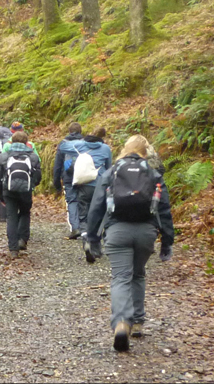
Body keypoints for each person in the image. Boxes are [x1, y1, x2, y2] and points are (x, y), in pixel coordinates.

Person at [85, 135, 174, 352]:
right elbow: (164, 209)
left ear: (125, 149)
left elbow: (97, 206)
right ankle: (138, 321)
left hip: (117, 231)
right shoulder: (153, 174)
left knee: (121, 277)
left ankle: (122, 323)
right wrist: (167, 241)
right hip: (146, 232)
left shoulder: (111, 172)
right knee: (138, 274)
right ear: (146, 151)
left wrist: (92, 237)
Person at [0, 131, 41, 259]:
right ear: (26, 142)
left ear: (12, 141)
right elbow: (38, 176)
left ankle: (13, 249)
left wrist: (0, 195)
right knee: (25, 212)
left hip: (8, 191)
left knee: (11, 217)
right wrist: (31, 186)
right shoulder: (33, 157)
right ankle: (22, 239)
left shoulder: (4, 156)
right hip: (26, 190)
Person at [73, 127, 113, 262]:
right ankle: (96, 248)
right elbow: (109, 168)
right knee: (98, 215)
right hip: (100, 185)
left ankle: (86, 239)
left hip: (83, 184)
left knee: (83, 215)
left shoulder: (79, 145)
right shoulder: (105, 148)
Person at [52, 122, 86, 239]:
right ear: (80, 131)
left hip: (68, 176)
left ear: (69, 131)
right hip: (83, 176)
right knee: (83, 200)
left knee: (72, 201)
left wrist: (57, 184)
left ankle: (75, 228)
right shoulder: (85, 143)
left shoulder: (63, 143)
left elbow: (57, 165)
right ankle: (84, 227)